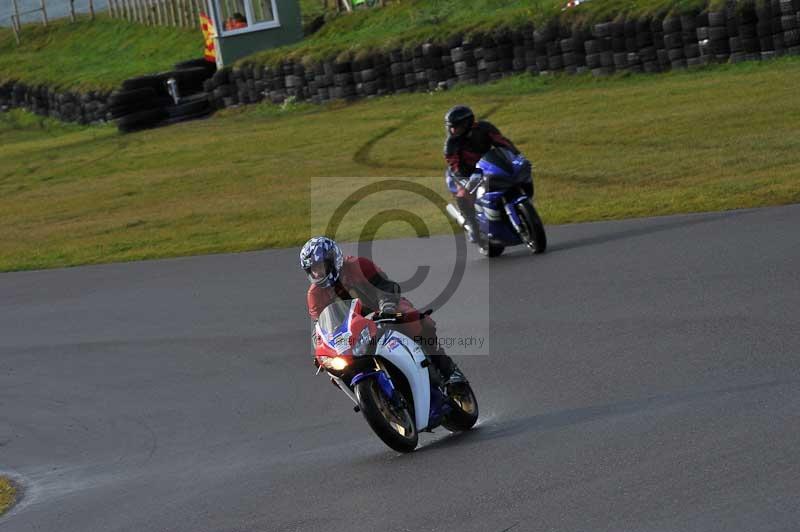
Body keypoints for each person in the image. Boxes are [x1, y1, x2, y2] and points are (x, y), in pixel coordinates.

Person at [300, 236, 466, 387]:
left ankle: (448, 370)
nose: (317, 273)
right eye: (313, 270)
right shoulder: (314, 294)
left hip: (384, 310)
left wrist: (386, 309)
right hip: (352, 331)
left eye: (320, 267)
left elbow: (386, 287)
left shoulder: (358, 265)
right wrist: (320, 350)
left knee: (414, 321)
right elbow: (319, 328)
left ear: (333, 260)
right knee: (335, 370)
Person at [443, 105, 520, 243]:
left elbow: (502, 141)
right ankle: (473, 226)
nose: (452, 130)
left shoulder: (484, 128)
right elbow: (455, 165)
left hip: (488, 164)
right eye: (450, 127)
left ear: (467, 124)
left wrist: (516, 154)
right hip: (464, 173)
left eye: (455, 126)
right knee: (463, 194)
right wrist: (466, 179)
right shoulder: (451, 143)